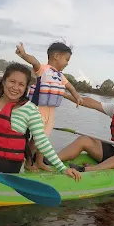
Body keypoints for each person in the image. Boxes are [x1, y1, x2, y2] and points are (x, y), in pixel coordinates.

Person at [15, 40, 84, 171]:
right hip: (38, 110)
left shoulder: (60, 76)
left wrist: (77, 97)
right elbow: (33, 61)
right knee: (36, 138)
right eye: (66, 59)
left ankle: (40, 161)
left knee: (45, 137)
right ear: (56, 56)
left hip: (50, 111)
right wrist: (24, 54)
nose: (67, 63)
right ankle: (29, 162)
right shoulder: (42, 69)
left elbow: (70, 87)